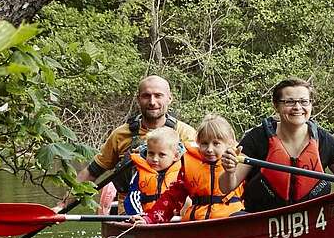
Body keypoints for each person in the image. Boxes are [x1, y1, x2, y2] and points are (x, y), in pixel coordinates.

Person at [216, 78, 334, 213]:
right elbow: (225, 187)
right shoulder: (257, 138)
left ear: (310, 105)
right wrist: (230, 171)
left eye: (304, 101)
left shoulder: (324, 141)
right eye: (289, 102)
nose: (297, 107)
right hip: (263, 220)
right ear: (276, 106)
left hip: (313, 219)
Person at [72, 75, 198, 214]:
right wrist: (62, 204)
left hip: (175, 214)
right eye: (146, 96)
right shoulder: (120, 135)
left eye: (158, 96)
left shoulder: (186, 134)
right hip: (129, 215)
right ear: (138, 99)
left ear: (169, 98)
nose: (152, 102)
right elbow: (92, 171)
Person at [138, 115, 247, 224]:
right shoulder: (189, 164)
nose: (209, 149)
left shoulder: (240, 163)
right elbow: (173, 197)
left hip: (230, 220)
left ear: (229, 143)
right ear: (198, 142)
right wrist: (149, 219)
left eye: (216, 143)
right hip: (196, 223)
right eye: (204, 143)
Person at [116, 127, 184, 216]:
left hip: (175, 220)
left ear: (175, 156)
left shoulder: (182, 173)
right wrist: (139, 215)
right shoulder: (140, 174)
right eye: (151, 153)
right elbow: (132, 198)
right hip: (145, 220)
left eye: (162, 155)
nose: (155, 159)